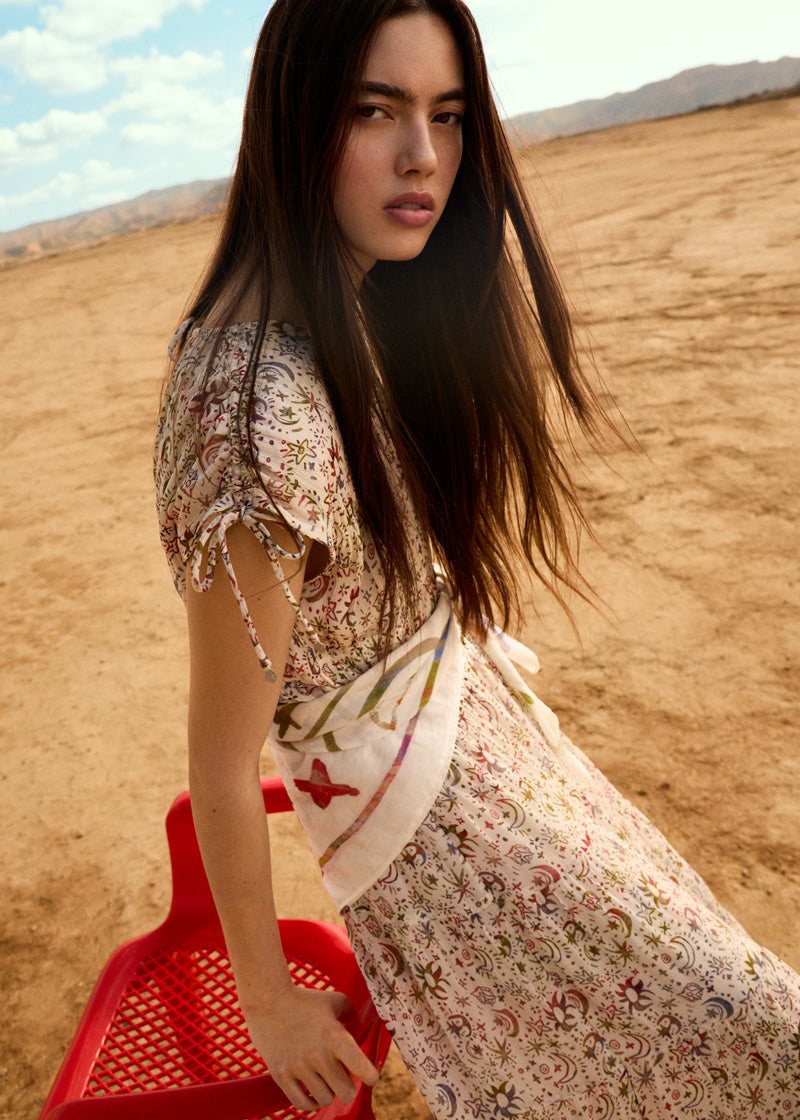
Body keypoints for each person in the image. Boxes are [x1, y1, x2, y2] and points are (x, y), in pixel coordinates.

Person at [154, 0, 800, 1116]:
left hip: (506, 788)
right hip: (463, 876)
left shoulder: (331, 309)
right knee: (754, 1042)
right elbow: (219, 758)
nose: (426, 157)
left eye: (447, 115)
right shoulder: (252, 423)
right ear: (291, 117)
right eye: (376, 110)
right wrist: (268, 1002)